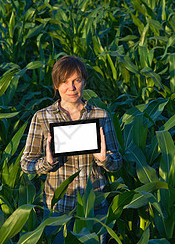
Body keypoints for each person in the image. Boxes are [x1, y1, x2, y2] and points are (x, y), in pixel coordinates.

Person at [20, 54, 122, 219]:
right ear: (56, 85)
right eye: (64, 81)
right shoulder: (43, 117)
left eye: (77, 80)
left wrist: (105, 160)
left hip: (94, 205)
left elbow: (117, 162)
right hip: (58, 207)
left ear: (84, 82)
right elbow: (26, 164)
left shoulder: (100, 116)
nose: (71, 87)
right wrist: (47, 163)